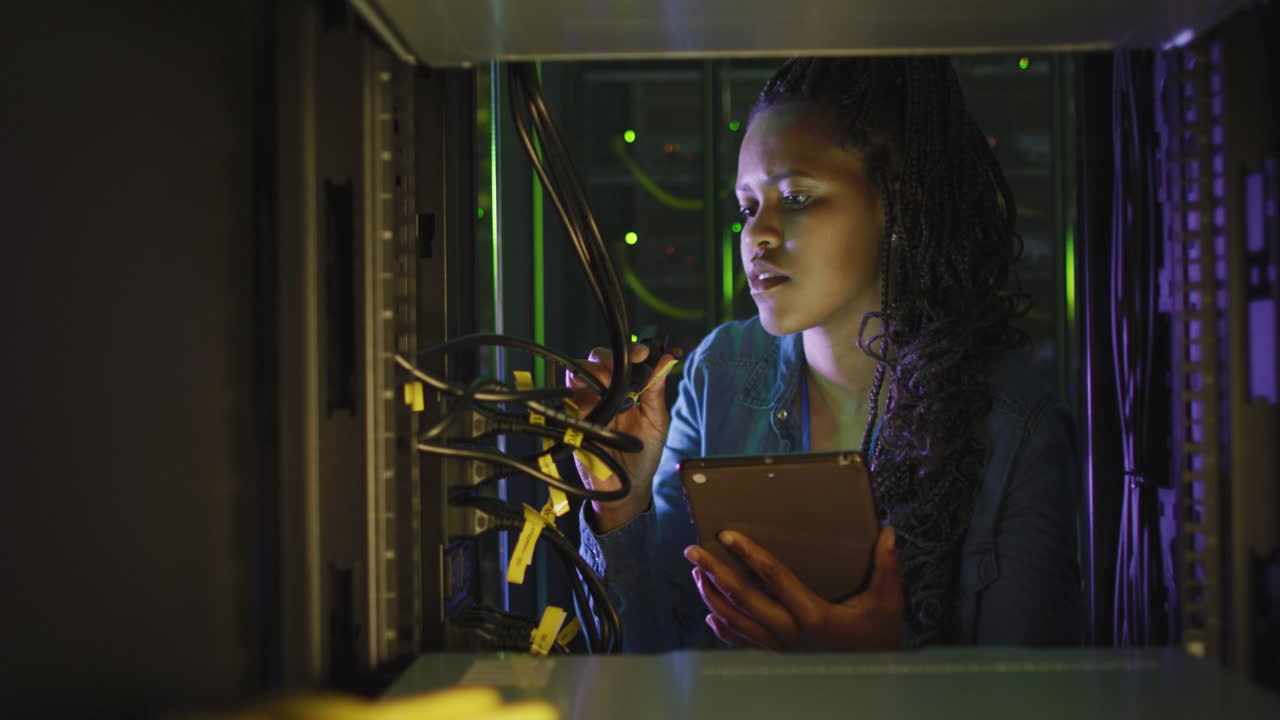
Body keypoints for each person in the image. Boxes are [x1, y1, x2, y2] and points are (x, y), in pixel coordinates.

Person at [568, 57, 1081, 651]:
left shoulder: (1015, 426)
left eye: (796, 197)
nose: (756, 235)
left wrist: (879, 671)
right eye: (747, 207)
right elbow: (648, 655)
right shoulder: (720, 373)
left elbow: (1033, 687)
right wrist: (621, 500)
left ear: (897, 202)